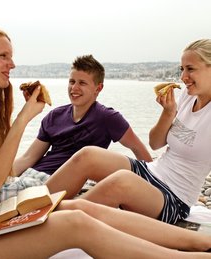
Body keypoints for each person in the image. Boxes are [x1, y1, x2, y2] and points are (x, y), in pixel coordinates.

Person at [0, 26, 211, 259]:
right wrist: (23, 118)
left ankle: (200, 241)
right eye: (3, 56)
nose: (12, 64)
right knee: (76, 222)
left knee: (80, 207)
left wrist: (14, 115)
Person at [46, 39, 211, 225]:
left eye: (190, 69)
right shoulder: (188, 97)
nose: (183, 77)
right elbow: (155, 143)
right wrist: (168, 112)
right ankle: (33, 207)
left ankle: (54, 221)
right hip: (151, 172)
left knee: (121, 181)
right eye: (182, 69)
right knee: (87, 155)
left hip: (173, 198)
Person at [13, 55, 152, 177]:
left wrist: (156, 184)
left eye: (82, 83)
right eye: (72, 82)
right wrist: (1, 178)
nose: (74, 88)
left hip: (65, 183)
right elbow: (28, 158)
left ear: (98, 88)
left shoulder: (108, 118)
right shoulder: (54, 116)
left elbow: (138, 149)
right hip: (34, 174)